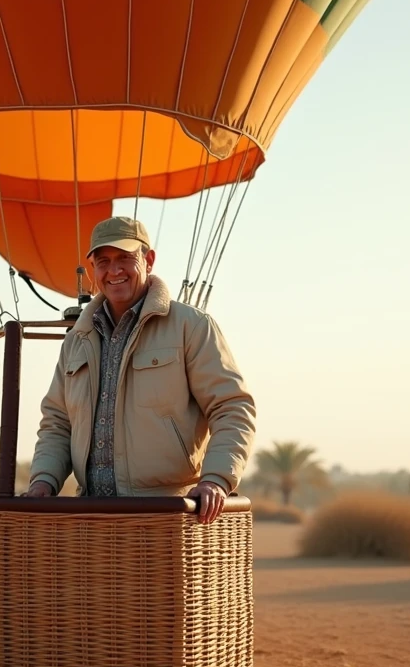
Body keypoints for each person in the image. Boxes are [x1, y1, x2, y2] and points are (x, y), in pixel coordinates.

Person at [23, 216, 257, 524]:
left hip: (170, 515)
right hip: (92, 515)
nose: (114, 271)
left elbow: (232, 408)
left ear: (148, 260)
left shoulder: (191, 326)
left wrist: (215, 479)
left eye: (124, 258)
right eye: (103, 261)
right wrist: (44, 480)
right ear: (92, 268)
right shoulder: (77, 340)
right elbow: (58, 422)